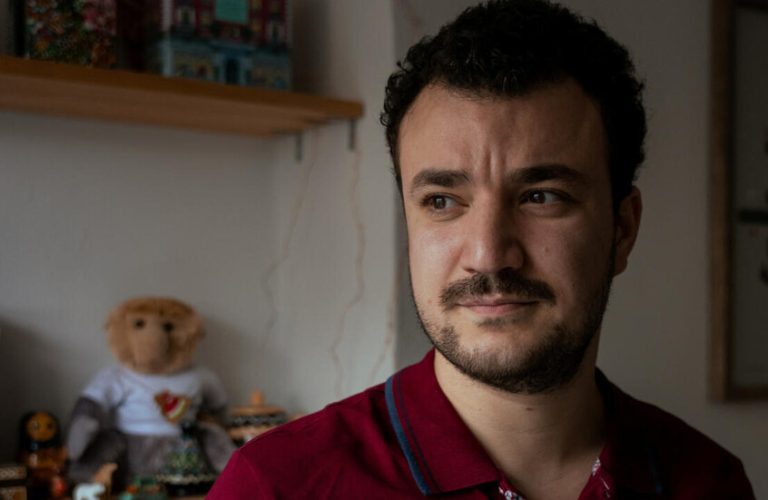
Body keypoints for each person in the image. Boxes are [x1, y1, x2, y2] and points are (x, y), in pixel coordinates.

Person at [208, 0, 755, 498]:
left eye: (541, 196)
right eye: (443, 201)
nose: (489, 255)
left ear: (623, 229)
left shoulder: (709, 482)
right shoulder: (275, 486)